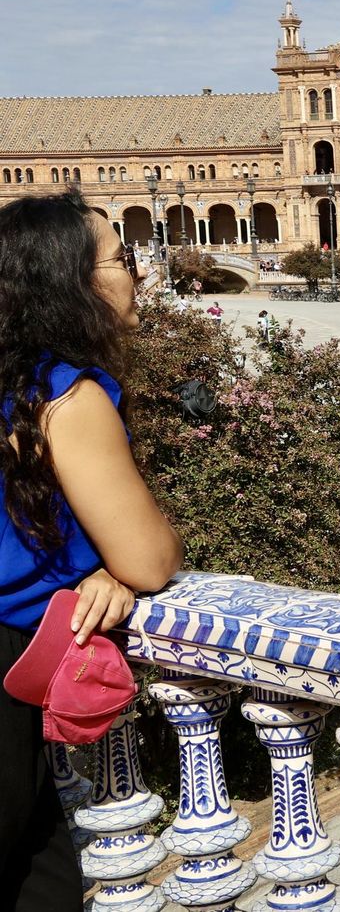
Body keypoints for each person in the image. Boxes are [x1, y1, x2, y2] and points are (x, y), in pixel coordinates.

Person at [0, 193, 182, 907]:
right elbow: (152, 560)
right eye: (119, 258)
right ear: (70, 283)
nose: (136, 272)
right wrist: (114, 567)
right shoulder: (63, 398)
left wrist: (94, 565)